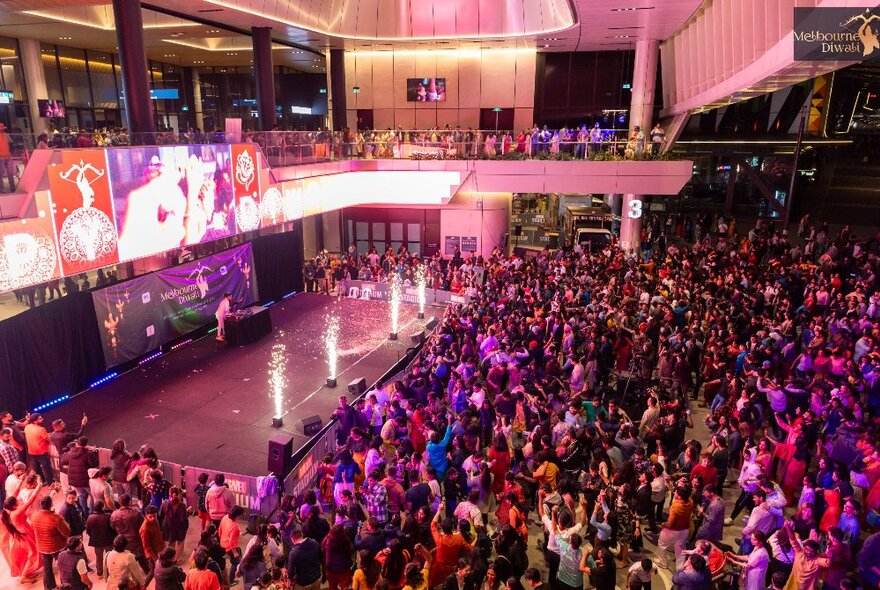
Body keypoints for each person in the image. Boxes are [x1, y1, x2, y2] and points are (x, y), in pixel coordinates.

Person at [0, 475, 43, 583]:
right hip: (24, 533)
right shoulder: (16, 513)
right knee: (33, 552)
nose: (19, 501)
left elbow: (14, 493)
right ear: (14, 506)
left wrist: (21, 481)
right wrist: (39, 485)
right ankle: (23, 576)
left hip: (18, 534)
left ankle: (27, 573)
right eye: (17, 502)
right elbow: (30, 500)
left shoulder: (7, 509)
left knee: (27, 554)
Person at [32, 493, 71, 590]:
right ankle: (65, 586)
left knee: (47, 567)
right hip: (57, 546)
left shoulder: (34, 516)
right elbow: (66, 532)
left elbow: (34, 528)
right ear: (51, 504)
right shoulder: (56, 518)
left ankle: (49, 587)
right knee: (62, 566)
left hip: (42, 547)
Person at [287, 522, 322, 590]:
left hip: (304, 583)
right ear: (302, 535)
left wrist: (289, 581)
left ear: (293, 540)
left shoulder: (293, 553)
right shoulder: (315, 542)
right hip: (317, 577)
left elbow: (290, 572)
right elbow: (321, 557)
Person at [86, 500, 115, 578]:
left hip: (96, 541)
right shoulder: (108, 516)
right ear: (102, 507)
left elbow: (88, 530)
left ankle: (100, 573)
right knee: (109, 556)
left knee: (99, 557)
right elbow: (112, 528)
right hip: (108, 540)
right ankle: (110, 572)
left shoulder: (90, 517)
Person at [24, 413, 54, 483]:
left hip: (31, 452)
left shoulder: (27, 427)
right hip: (42, 452)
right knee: (47, 468)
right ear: (35, 421)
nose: (42, 419)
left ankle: (41, 482)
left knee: (37, 469)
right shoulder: (41, 429)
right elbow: (48, 439)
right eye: (40, 419)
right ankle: (50, 483)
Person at [219, 505, 243, 585]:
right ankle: (231, 580)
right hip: (230, 547)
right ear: (237, 515)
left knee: (239, 554)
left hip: (222, 544)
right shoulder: (235, 526)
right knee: (236, 562)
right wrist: (234, 552)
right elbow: (231, 542)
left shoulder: (225, 517)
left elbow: (220, 530)